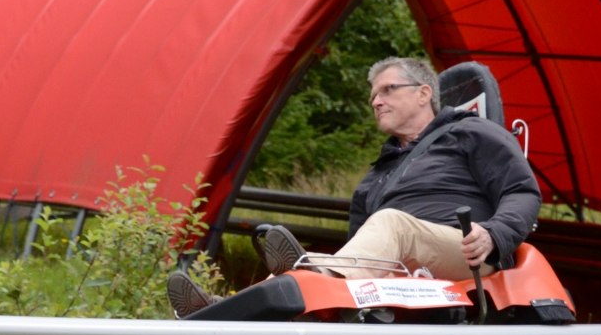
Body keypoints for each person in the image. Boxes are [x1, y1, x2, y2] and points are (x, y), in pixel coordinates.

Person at [167, 56, 541, 317]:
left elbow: (522, 192)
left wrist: (493, 234)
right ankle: (226, 314)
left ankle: (313, 282)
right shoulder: (376, 176)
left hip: (468, 255)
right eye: (373, 95)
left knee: (389, 224)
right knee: (315, 260)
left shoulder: (471, 131)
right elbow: (358, 249)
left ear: (424, 93)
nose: (376, 101)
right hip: (398, 267)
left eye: (388, 90)